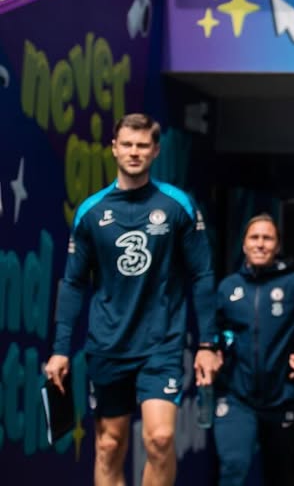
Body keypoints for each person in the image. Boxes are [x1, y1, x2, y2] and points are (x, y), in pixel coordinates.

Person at [44, 114, 220, 486]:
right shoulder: (90, 212)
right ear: (114, 148)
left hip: (162, 345)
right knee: (109, 445)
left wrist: (207, 343)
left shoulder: (178, 206)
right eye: (127, 144)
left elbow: (202, 276)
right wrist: (60, 349)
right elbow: (73, 283)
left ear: (155, 151)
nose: (134, 152)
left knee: (160, 439)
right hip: (107, 344)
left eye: (142, 146)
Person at [212, 214, 294, 486]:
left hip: (282, 397)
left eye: (267, 238)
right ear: (244, 244)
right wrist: (212, 350)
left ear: (277, 245)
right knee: (233, 469)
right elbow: (210, 330)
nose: (260, 244)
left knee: (279, 475)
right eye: (254, 238)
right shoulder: (228, 288)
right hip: (237, 397)